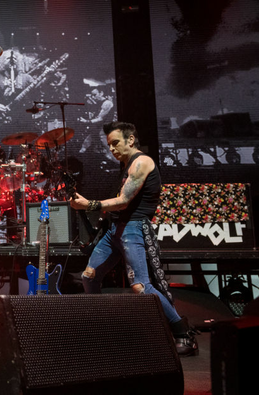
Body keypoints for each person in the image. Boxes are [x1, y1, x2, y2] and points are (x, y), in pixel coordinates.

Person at [68, 121, 198, 356]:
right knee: (89, 276)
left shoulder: (141, 162)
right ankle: (103, 327)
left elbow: (124, 201)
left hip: (133, 228)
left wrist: (90, 204)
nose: (112, 149)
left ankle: (182, 332)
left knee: (140, 285)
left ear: (130, 140)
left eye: (115, 143)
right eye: (109, 146)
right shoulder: (128, 165)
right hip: (117, 229)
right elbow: (119, 204)